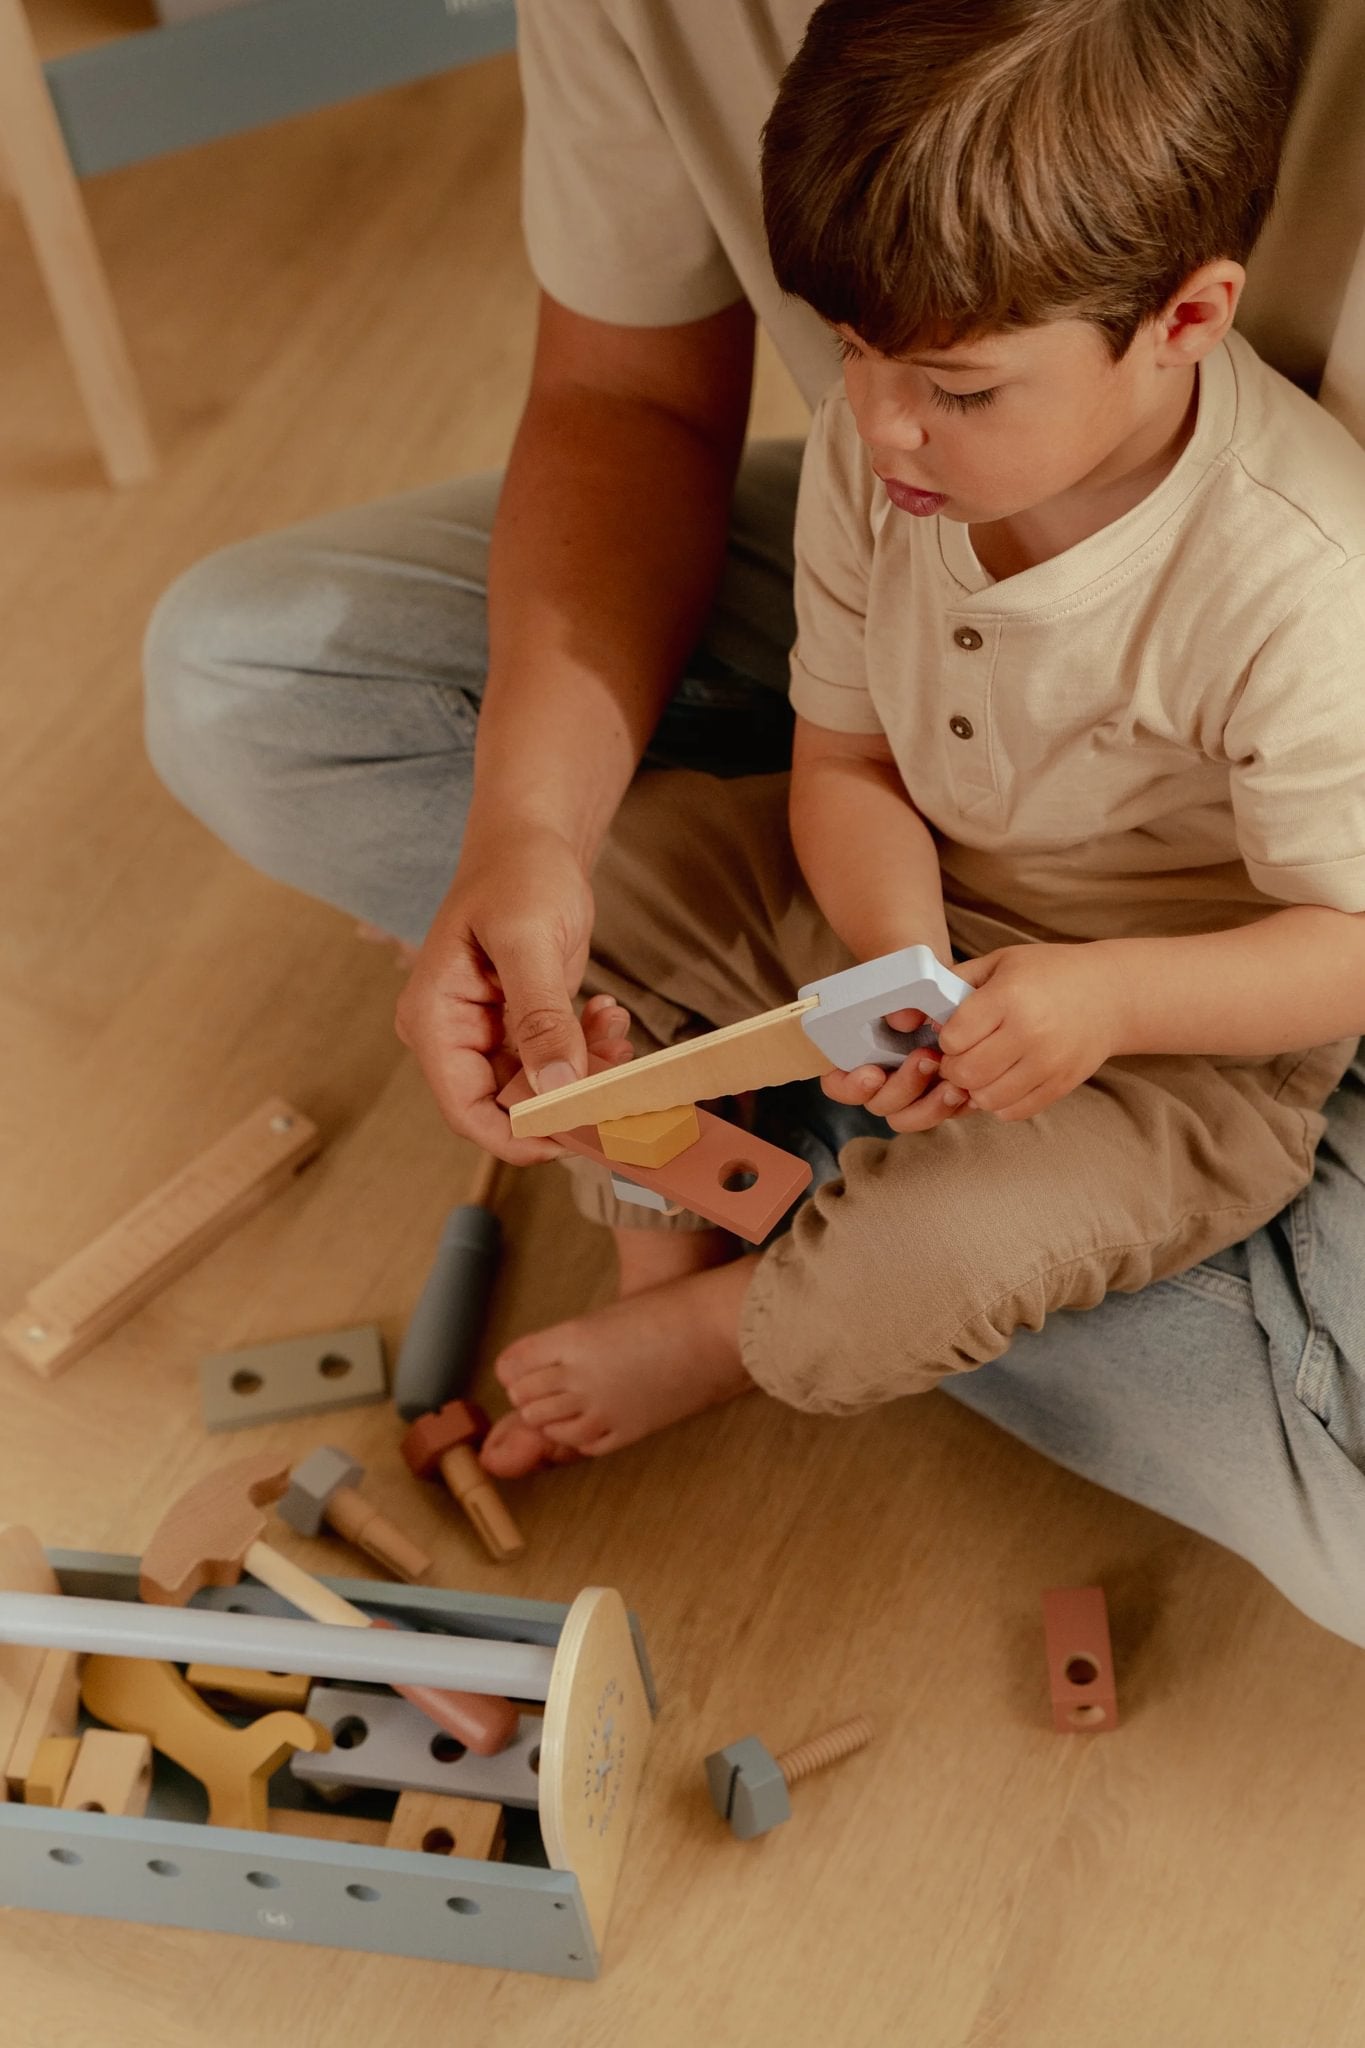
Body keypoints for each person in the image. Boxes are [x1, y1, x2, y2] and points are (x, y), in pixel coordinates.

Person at [142, 0, 1365, 1646]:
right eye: (848, 357)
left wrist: (1105, 1003)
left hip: (1181, 1039)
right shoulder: (894, 455)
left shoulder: (1300, 585)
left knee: (935, 1262)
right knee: (591, 889)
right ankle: (671, 1178)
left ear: (1185, 319)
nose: (869, 426)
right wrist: (881, 952)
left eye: (950, 383)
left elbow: (1343, 950)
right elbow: (844, 759)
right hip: (923, 895)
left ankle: (738, 1323)